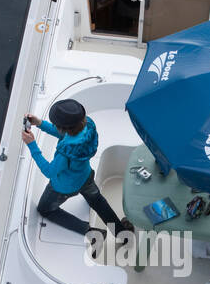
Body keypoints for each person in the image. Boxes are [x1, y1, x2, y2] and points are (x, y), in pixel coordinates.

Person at [22, 99, 133, 237]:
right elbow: (65, 134)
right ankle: (122, 233)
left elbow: (49, 171)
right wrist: (39, 123)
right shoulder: (88, 127)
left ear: (63, 127)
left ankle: (90, 232)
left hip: (63, 188)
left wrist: (31, 144)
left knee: (45, 210)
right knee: (98, 202)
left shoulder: (65, 153)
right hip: (86, 177)